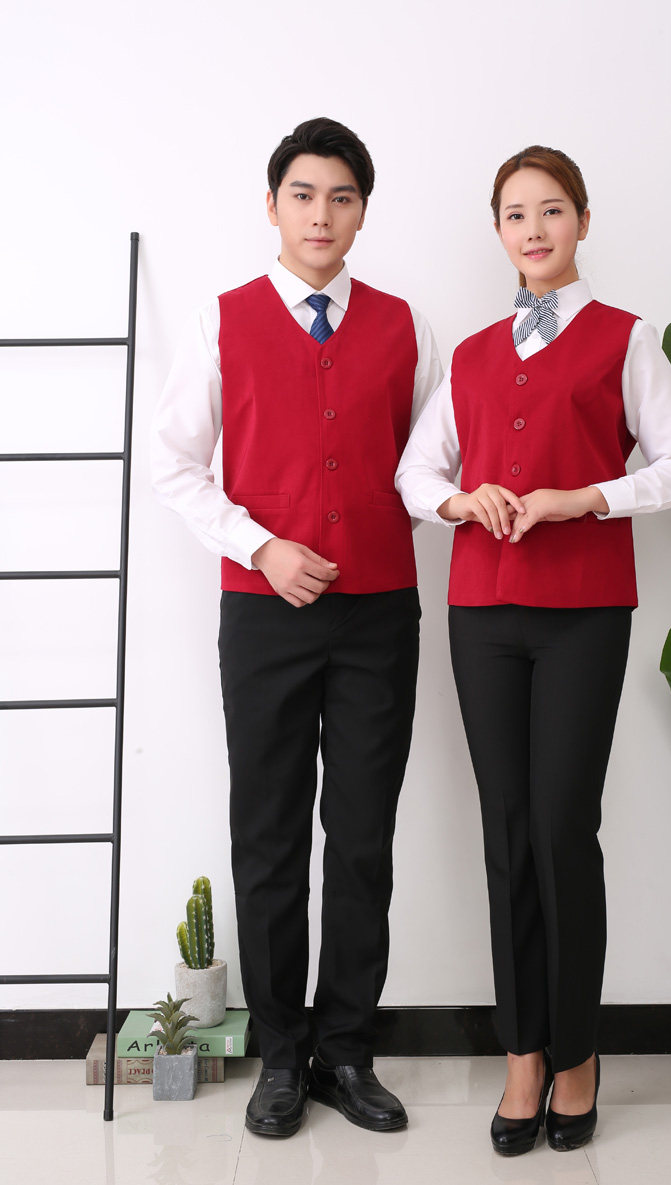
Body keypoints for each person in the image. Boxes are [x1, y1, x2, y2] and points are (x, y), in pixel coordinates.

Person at [395, 145, 671, 1155]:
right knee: (505, 833)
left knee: (562, 829)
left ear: (582, 220)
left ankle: (576, 1056)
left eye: (551, 210)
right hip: (482, 614)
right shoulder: (473, 354)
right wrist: (460, 500)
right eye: (515, 214)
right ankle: (521, 1054)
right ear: (498, 231)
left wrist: (587, 497)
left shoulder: (626, 338)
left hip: (583, 613)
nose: (533, 229)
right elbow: (415, 475)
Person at [151, 117, 442, 1139]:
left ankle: (346, 1052)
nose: (322, 215)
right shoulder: (221, 320)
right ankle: (281, 1054)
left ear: (363, 212)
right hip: (262, 613)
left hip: (378, 614)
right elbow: (175, 463)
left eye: (342, 198)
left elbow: (427, 467)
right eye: (304, 195)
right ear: (272, 205)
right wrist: (262, 545)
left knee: (361, 838)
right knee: (269, 834)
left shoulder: (407, 327)